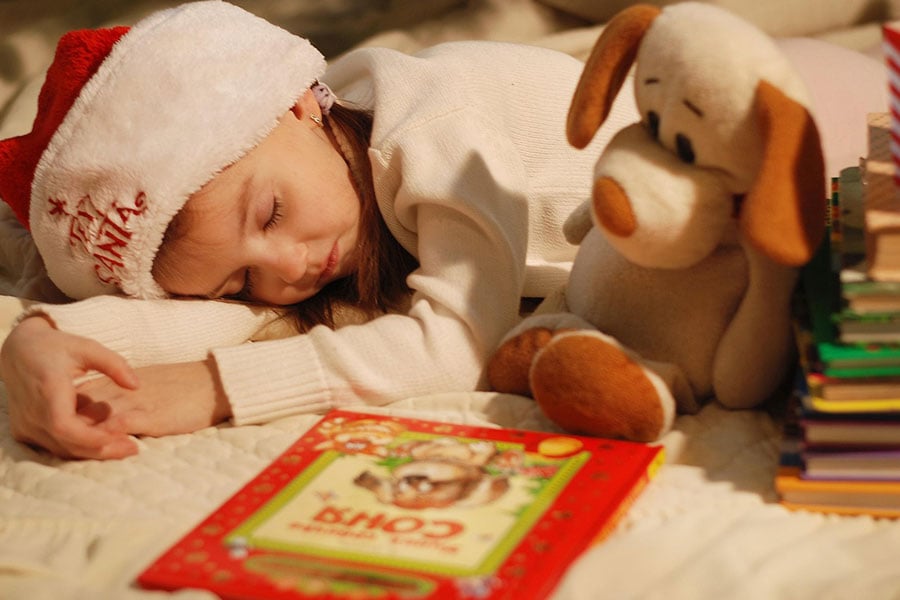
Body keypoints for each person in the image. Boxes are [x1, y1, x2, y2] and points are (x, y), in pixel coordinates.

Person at [0, 2, 886, 461]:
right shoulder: (302, 189)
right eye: (240, 279)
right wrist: (42, 336)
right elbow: (217, 313)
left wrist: (213, 390)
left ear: (301, 105)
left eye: (267, 217)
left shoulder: (434, 126)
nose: (285, 272)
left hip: (807, 117)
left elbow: (455, 342)